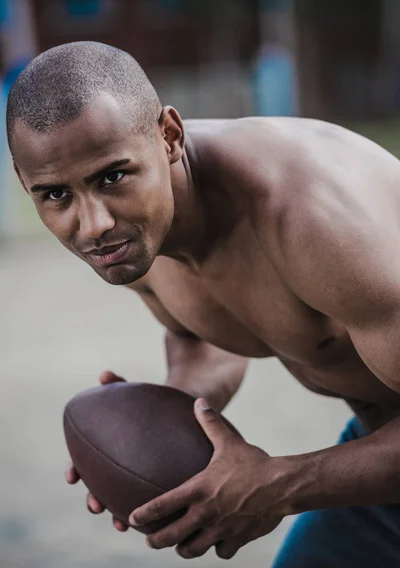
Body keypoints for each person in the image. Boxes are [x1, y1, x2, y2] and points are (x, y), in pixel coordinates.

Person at [7, 41, 400, 567]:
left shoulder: (312, 220)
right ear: (24, 184)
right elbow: (207, 328)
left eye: (112, 177)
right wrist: (164, 425)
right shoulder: (134, 234)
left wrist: (278, 484)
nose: (93, 224)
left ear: (169, 136)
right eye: (55, 195)